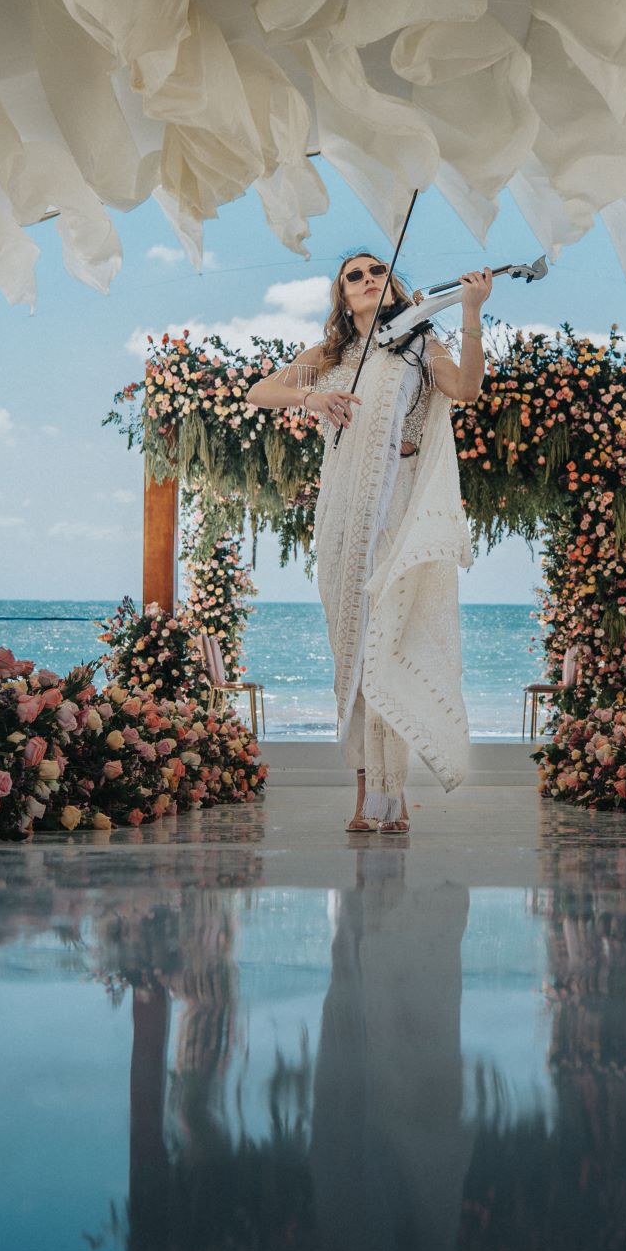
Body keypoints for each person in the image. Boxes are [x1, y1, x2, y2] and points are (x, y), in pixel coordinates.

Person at [245, 253, 491, 833]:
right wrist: (309, 398)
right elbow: (259, 392)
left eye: (376, 271)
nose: (366, 280)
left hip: (397, 507)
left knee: (387, 645)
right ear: (341, 294)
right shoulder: (326, 357)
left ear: (393, 284)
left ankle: (394, 796)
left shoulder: (417, 346)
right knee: (351, 649)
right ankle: (364, 797)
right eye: (353, 276)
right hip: (342, 512)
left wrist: (473, 313)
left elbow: (468, 390)